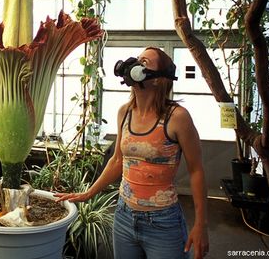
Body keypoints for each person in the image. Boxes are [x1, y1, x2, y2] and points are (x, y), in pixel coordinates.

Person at [54, 47, 209, 259]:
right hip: (124, 216)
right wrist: (89, 193)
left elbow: (196, 170)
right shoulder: (124, 112)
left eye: (144, 62)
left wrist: (201, 225)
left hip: (163, 222)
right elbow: (117, 160)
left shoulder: (178, 117)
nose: (134, 64)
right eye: (137, 59)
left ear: (157, 79)